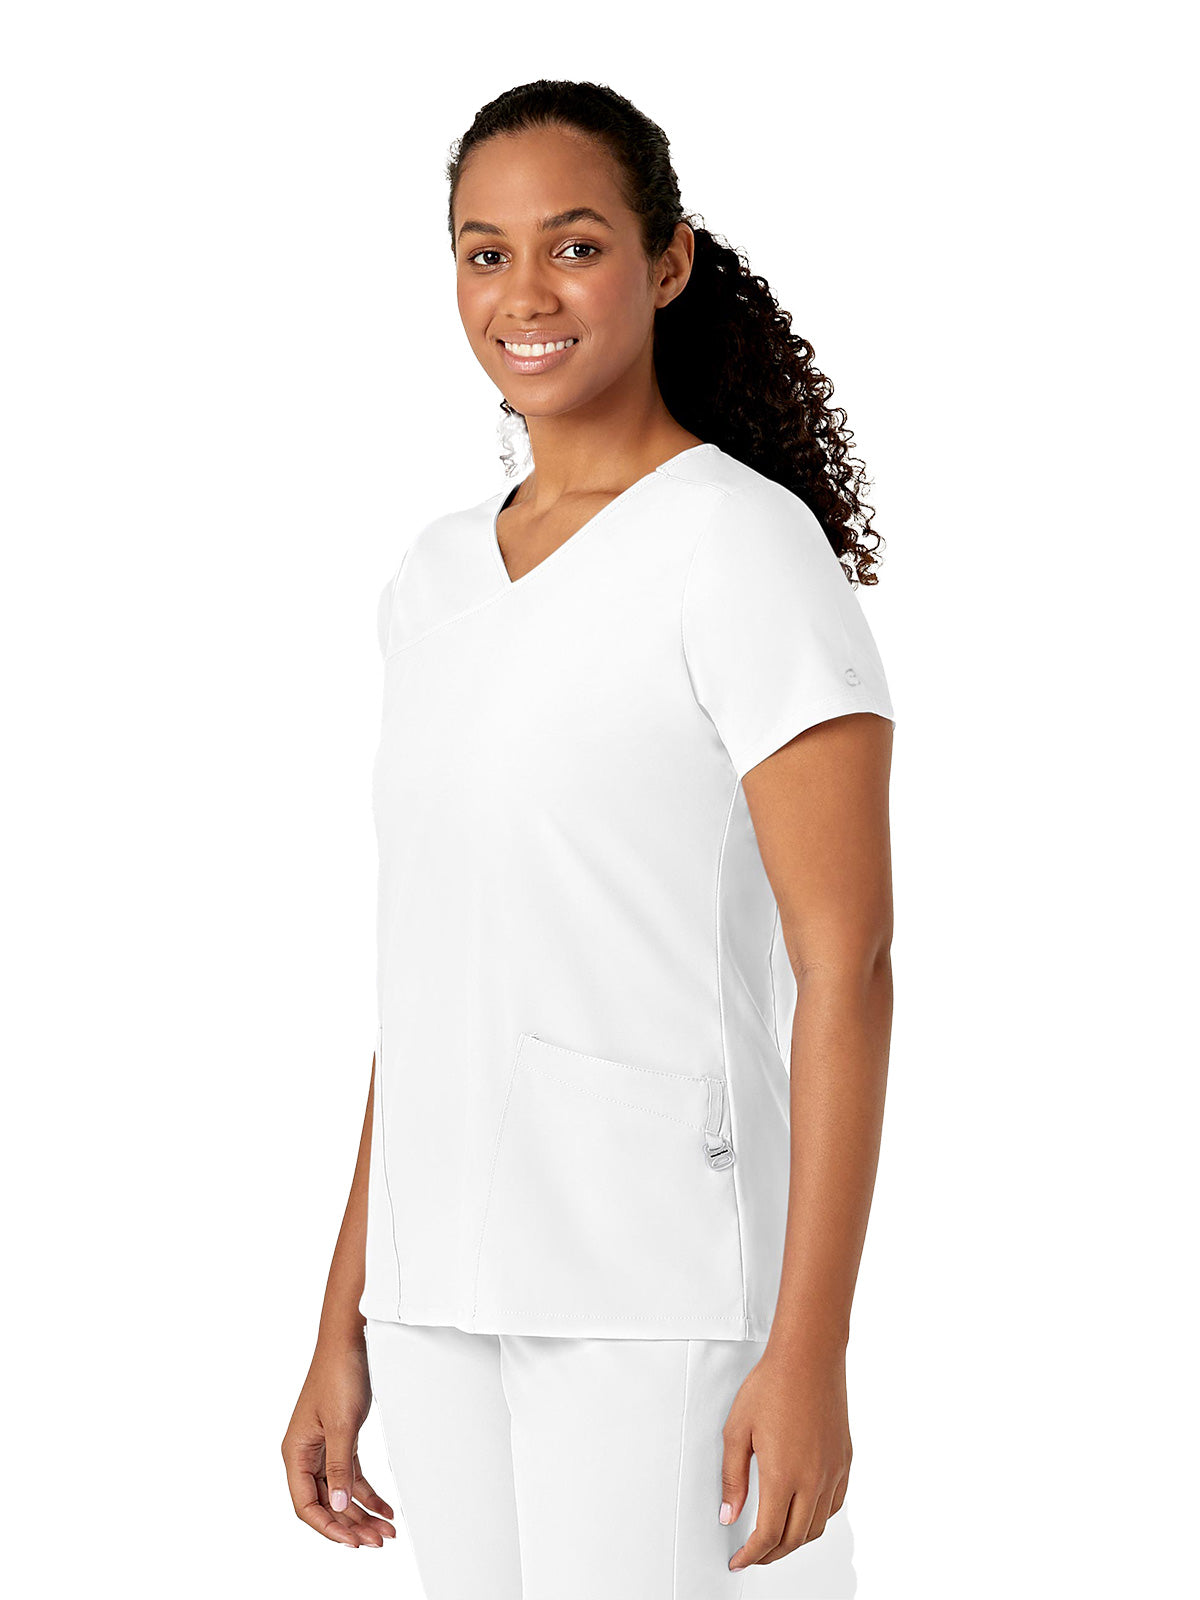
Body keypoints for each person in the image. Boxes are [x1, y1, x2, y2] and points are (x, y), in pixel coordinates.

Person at [282, 78, 895, 1600]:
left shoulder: (739, 545)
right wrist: (342, 1319)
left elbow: (849, 965)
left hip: (653, 1278)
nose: (525, 295)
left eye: (574, 246)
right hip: (434, 1288)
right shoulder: (433, 579)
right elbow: (430, 983)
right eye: (483, 254)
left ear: (666, 261)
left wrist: (811, 1346)